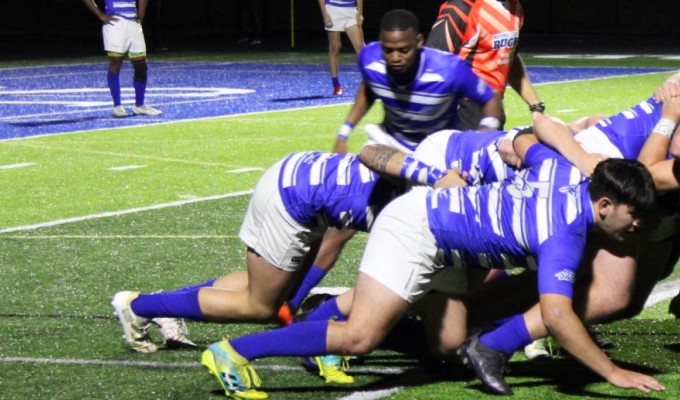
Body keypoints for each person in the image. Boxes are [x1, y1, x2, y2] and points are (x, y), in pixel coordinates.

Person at [202, 137, 663, 398]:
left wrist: (512, 144)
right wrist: (612, 372)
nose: (638, 225)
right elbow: (559, 315)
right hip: (417, 230)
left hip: (442, 238)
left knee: (448, 344)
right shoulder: (564, 235)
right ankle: (234, 351)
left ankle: (330, 327)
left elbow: (528, 143)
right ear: (604, 204)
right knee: (361, 336)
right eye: (633, 216)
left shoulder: (563, 171)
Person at [110, 151, 433, 381]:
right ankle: (140, 306)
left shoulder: (443, 167)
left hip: (303, 179)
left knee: (270, 293)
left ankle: (170, 303)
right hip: (294, 198)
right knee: (260, 305)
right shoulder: (424, 215)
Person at [331, 9, 503, 154]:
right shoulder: (369, 59)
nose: (395, 58)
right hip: (394, 143)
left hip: (438, 149)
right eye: (388, 50)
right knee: (367, 156)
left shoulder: (449, 69)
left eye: (404, 50)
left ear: (419, 42)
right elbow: (369, 87)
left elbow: (490, 97)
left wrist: (485, 133)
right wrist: (343, 133)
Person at [426, 0, 543, 130]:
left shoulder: (515, 8)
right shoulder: (461, 8)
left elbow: (509, 57)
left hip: (493, 107)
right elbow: (431, 62)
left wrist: (535, 105)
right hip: (463, 109)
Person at [82, 0, 162, 117]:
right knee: (115, 62)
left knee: (141, 66)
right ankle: (117, 106)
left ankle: (139, 105)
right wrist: (100, 14)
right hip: (116, 23)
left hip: (133, 22)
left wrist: (141, 15)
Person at [317, 0, 365, 95]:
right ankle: (336, 85)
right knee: (334, 48)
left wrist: (359, 13)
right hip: (333, 10)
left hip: (350, 11)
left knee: (361, 48)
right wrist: (325, 14)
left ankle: (372, 82)